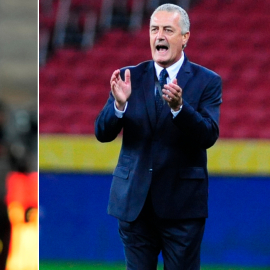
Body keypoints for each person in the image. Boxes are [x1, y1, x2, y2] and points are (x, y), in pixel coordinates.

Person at [95, 4, 221, 270]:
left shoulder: (207, 81)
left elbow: (208, 135)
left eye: (167, 30)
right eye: (154, 29)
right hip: (134, 205)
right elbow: (102, 133)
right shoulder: (130, 77)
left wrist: (179, 109)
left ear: (185, 37)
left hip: (182, 208)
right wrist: (119, 107)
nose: (159, 36)